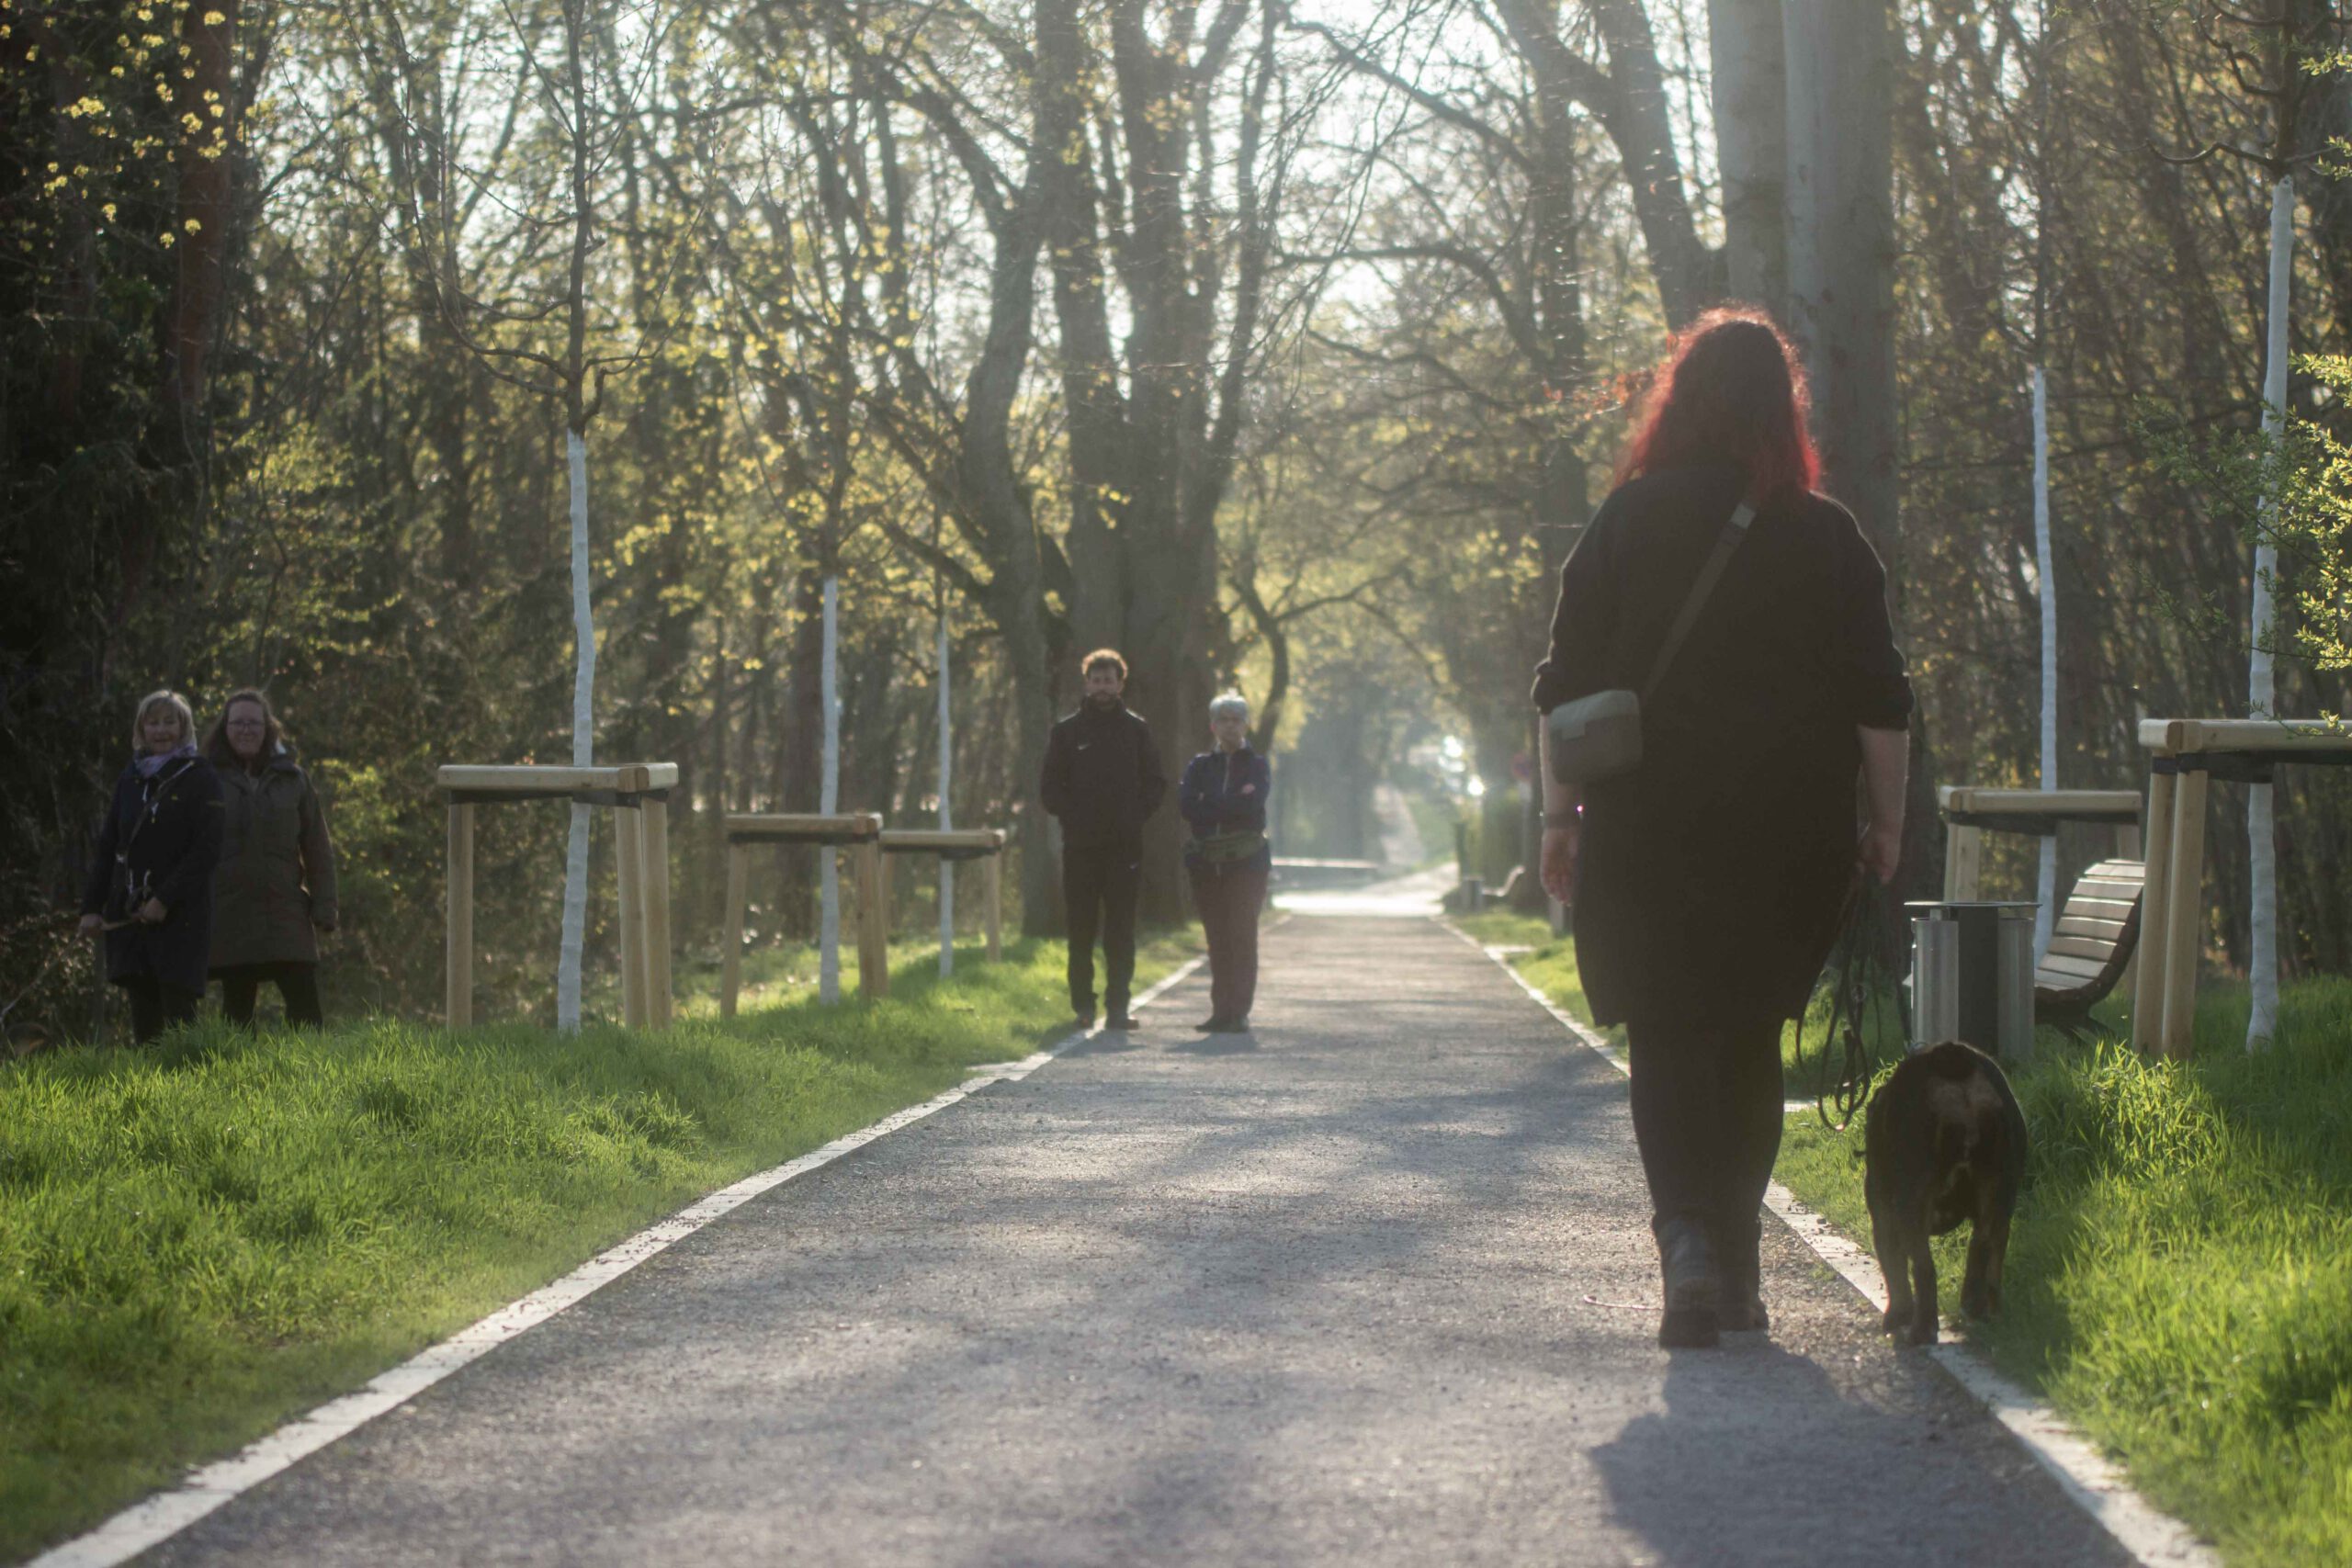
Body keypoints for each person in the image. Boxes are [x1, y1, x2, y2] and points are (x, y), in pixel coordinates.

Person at [1532, 309, 1912, 1349]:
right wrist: (1886, 825)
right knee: (1748, 1035)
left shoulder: (1625, 521)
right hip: (1786, 835)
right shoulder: (1827, 536)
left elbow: (1562, 691)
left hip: (1646, 828)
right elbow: (1882, 698)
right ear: (1781, 411)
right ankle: (1736, 1265)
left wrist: (1556, 821)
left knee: (1665, 1034)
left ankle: (1689, 1248)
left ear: (1679, 401)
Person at [79, 689, 226, 1042]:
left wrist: (164, 899)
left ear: (184, 726)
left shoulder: (201, 776)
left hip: (181, 918)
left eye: (169, 722)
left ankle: (192, 1095)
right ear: (141, 728)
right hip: (131, 918)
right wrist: (91, 908)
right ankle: (148, 1097)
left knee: (180, 1024)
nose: (161, 730)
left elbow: (206, 850)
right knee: (145, 1027)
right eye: (153, 722)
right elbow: (109, 845)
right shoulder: (130, 777)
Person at [1040, 649, 1166, 1029]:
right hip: (1080, 848)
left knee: (1121, 931)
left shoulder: (1137, 730)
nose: (1102, 688)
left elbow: (1156, 783)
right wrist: (1073, 817)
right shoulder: (1066, 733)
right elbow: (1049, 789)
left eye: (1109, 680)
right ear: (1086, 683)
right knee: (1080, 930)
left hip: (1124, 848)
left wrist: (1134, 817)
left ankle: (1118, 1008)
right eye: (1096, 680)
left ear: (1120, 683)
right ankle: (1083, 1006)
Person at [205, 689, 338, 1028]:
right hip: (230, 913)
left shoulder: (294, 779)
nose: (246, 730)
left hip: (285, 911)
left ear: (268, 729)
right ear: (225, 728)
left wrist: (325, 908)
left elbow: (317, 848)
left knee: (306, 1012)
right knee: (237, 1015)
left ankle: (310, 1080)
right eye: (238, 723)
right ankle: (236, 1081)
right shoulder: (205, 779)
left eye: (254, 722)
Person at [1180, 693, 1272, 1032]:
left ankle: (1239, 1012)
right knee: (1217, 938)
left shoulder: (1257, 765)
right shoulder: (1199, 766)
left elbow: (1252, 806)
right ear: (1213, 726)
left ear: (1246, 724)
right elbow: (1187, 806)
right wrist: (1231, 802)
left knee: (1242, 935)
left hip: (1248, 866)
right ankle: (1221, 1010)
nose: (1230, 726)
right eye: (1224, 719)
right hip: (1207, 864)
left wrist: (1212, 802)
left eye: (1237, 719)